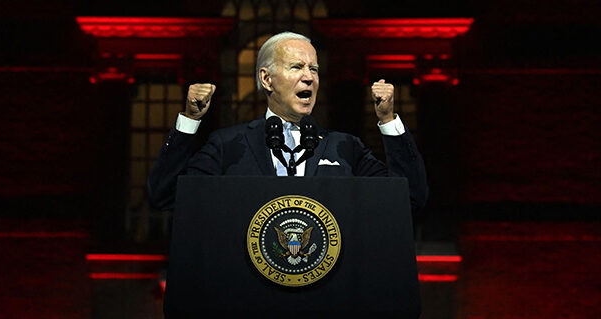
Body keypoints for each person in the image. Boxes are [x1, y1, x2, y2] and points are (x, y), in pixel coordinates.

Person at [147, 32, 428, 210]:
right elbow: (165, 195)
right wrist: (189, 120)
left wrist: (388, 121)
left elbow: (410, 197)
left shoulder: (345, 148)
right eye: (297, 67)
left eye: (314, 69)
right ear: (266, 79)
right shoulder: (228, 145)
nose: (309, 77)